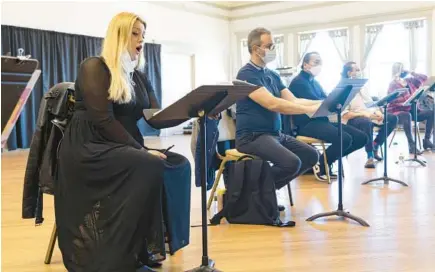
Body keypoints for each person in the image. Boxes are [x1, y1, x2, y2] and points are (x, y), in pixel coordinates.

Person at [55, 12, 191, 272]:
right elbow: (103, 121)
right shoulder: (95, 67)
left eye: (143, 34)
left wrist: (195, 111)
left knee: (178, 164)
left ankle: (152, 242)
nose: (141, 40)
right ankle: (126, 254)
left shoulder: (138, 76)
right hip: (90, 147)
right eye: (135, 33)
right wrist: (141, 150)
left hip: (124, 145)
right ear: (119, 36)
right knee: (146, 164)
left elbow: (157, 119)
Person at [235, 27, 320, 196]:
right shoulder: (246, 74)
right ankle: (252, 196)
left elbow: (293, 100)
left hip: (274, 134)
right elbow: (272, 104)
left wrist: (321, 102)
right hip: (252, 137)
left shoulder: (272, 75)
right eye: (270, 46)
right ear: (255, 49)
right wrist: (308, 110)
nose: (273, 50)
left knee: (311, 155)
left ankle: (264, 195)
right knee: (292, 163)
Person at [289, 52, 368, 181]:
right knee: (345, 138)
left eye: (320, 62)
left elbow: (325, 99)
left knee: (361, 138)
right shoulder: (298, 82)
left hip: (322, 121)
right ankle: (322, 164)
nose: (319, 65)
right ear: (305, 64)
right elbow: (320, 102)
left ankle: (324, 161)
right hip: (307, 124)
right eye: (316, 62)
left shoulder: (315, 82)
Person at [340, 61, 398, 168]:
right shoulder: (343, 89)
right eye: (357, 70)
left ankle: (376, 144)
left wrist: (378, 112)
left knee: (392, 118)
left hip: (369, 115)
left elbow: (371, 103)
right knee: (366, 122)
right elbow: (345, 115)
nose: (359, 71)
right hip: (353, 119)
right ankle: (370, 156)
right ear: (349, 73)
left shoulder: (362, 86)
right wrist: (365, 114)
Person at [387, 62, 433, 153]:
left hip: (414, 110)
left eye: (404, 69)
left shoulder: (409, 81)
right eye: (401, 69)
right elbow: (391, 100)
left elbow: (424, 78)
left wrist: (412, 72)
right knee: (407, 115)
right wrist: (407, 99)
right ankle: (411, 145)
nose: (403, 71)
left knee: (431, 113)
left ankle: (427, 140)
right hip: (399, 112)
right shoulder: (393, 84)